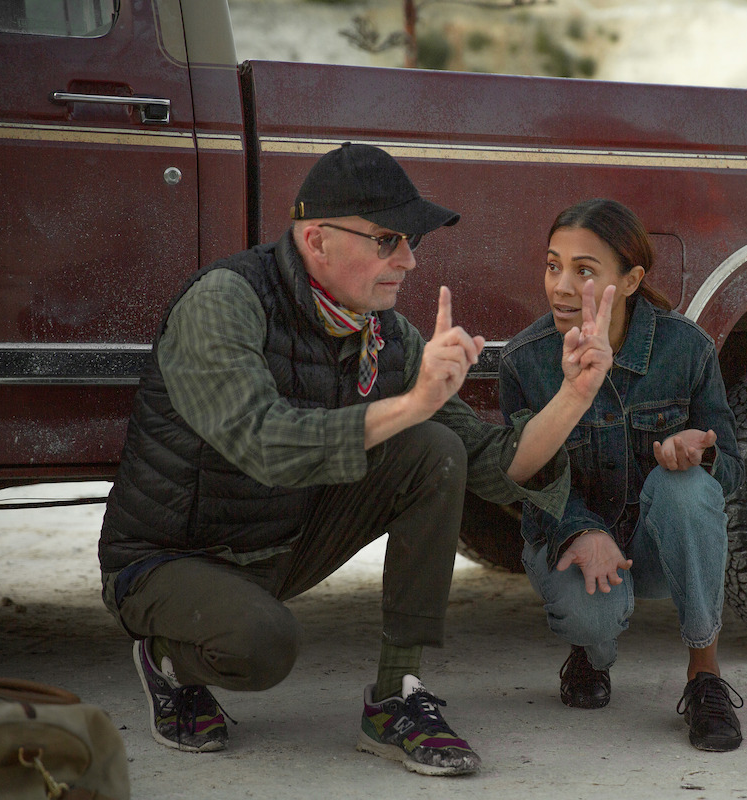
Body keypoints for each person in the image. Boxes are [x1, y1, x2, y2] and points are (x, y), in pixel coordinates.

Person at [97, 143, 615, 776]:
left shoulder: (383, 332)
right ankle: (168, 660)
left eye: (411, 242)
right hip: (170, 560)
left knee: (436, 451)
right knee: (263, 648)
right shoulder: (225, 300)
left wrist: (574, 395)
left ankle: (397, 698)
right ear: (317, 240)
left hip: (280, 544)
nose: (410, 261)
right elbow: (265, 443)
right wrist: (414, 401)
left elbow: (487, 464)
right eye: (389, 240)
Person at [499, 199, 745, 752]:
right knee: (591, 616)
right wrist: (583, 529)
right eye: (552, 264)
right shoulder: (525, 361)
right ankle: (592, 652)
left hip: (657, 547)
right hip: (569, 540)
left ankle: (704, 674)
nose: (561, 285)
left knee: (687, 488)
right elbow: (525, 479)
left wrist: (698, 452)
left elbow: (731, 472)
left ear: (631, 280)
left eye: (583, 270)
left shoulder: (686, 349)